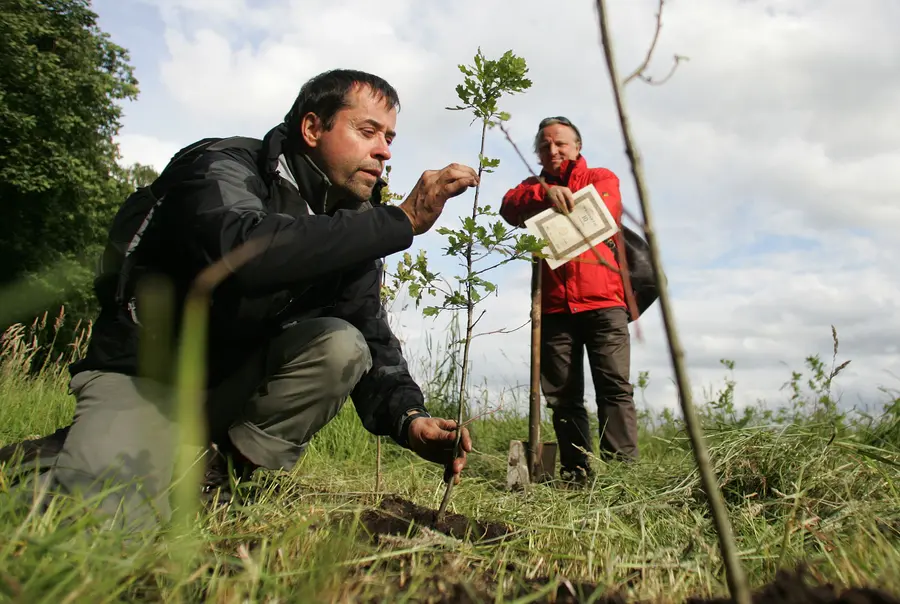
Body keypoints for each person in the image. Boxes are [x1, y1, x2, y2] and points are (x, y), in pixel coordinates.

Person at [2, 69, 476, 532]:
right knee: (110, 523)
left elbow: (368, 330)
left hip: (229, 388)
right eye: (367, 130)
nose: (384, 151)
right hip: (143, 375)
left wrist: (410, 419)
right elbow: (242, 251)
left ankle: (217, 478)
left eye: (389, 137)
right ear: (312, 127)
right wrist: (398, 221)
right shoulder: (221, 165)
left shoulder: (352, 221)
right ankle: (44, 463)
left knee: (342, 345)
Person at [499, 116, 639, 483]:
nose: (553, 150)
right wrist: (542, 194)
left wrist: (563, 200)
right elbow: (508, 206)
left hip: (604, 303)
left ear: (577, 147)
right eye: (544, 146)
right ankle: (578, 473)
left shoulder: (601, 178)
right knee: (561, 395)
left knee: (614, 388)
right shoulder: (530, 188)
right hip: (555, 309)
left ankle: (621, 475)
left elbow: (605, 213)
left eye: (560, 143)